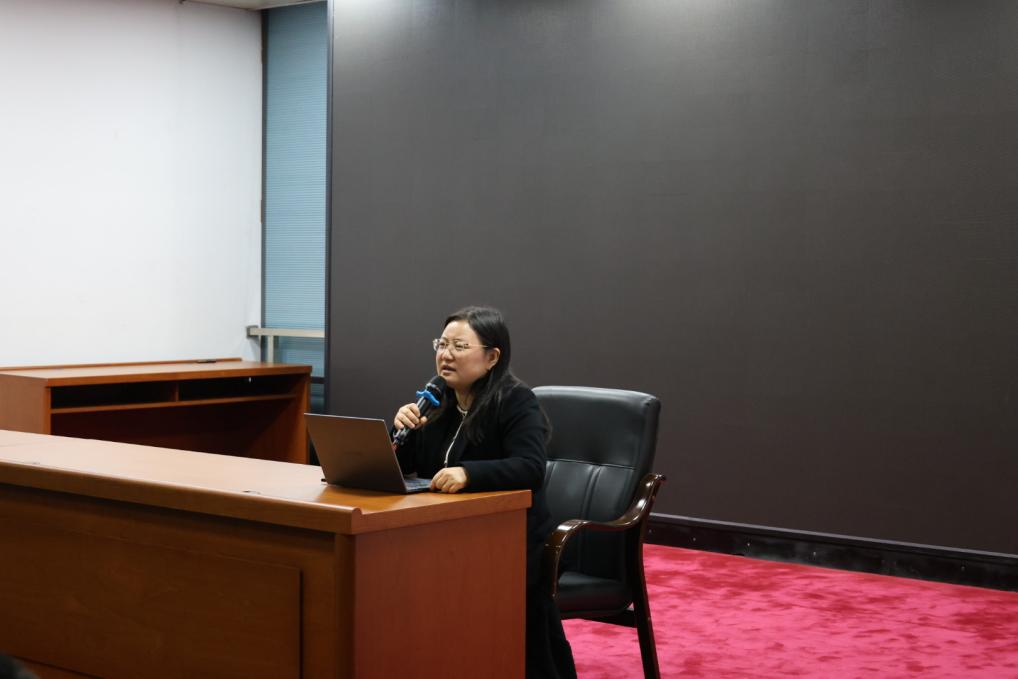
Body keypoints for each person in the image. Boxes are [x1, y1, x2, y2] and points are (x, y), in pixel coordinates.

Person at [393, 306, 577, 679]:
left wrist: (469, 474)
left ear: (492, 357)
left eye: (459, 346)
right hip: (444, 532)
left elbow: (531, 467)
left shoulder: (515, 400)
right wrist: (401, 433)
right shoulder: (437, 399)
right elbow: (409, 465)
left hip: (508, 539)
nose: (446, 355)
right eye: (442, 344)